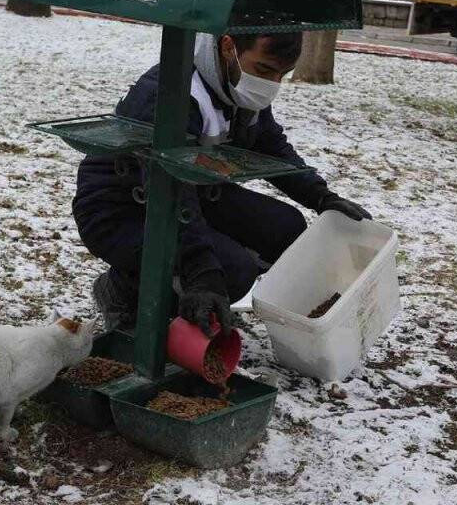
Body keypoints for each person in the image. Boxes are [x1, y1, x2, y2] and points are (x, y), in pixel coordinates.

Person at [73, 31, 371, 336]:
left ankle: (193, 288)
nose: (272, 85)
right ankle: (125, 292)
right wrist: (202, 270)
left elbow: (271, 144)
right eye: (265, 70)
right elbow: (169, 185)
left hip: (196, 193)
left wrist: (320, 196)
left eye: (283, 75)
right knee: (231, 270)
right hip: (120, 208)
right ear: (228, 46)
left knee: (286, 228)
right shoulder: (171, 93)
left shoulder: (239, 85)